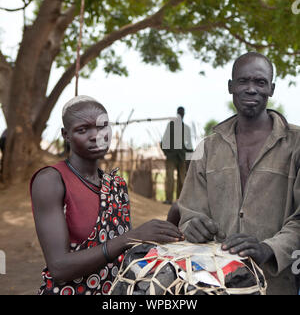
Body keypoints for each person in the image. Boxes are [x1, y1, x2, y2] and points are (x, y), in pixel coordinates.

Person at [30, 95, 183, 295]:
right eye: (82, 130)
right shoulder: (51, 180)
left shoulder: (116, 185)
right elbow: (59, 267)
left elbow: (123, 255)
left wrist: (173, 218)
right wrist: (131, 237)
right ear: (66, 135)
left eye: (102, 127)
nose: (96, 136)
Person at [178, 52, 300, 295]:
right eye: (243, 81)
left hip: (275, 285)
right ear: (230, 87)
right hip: (215, 283)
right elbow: (189, 212)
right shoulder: (208, 147)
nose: (251, 89)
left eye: (260, 82)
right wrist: (192, 225)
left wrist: (269, 249)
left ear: (272, 89)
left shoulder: (295, 144)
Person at [161, 107, 193, 205]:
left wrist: (189, 158)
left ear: (184, 114)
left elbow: (189, 145)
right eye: (180, 113)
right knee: (170, 178)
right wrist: (167, 152)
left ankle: (180, 201)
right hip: (171, 157)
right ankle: (169, 199)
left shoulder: (186, 128)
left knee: (182, 180)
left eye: (182, 113)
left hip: (182, 157)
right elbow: (164, 141)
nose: (181, 115)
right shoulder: (171, 125)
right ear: (178, 114)